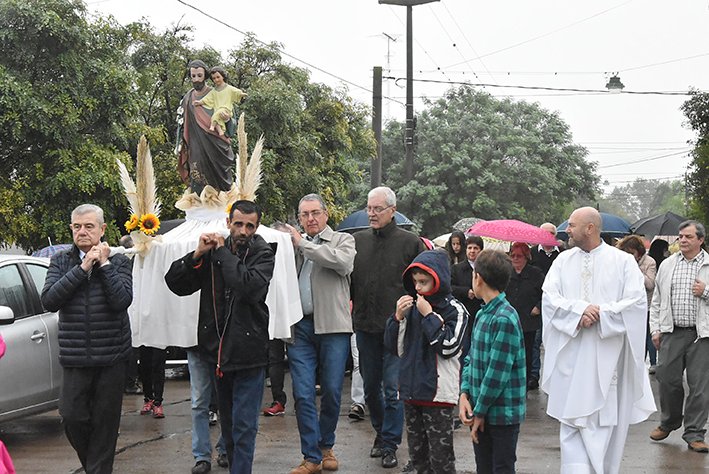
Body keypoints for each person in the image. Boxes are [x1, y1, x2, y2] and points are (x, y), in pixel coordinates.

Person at [542, 207, 655, 473]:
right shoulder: (562, 261)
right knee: (572, 423)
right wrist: (578, 311)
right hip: (572, 358)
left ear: (590, 228)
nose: (566, 230)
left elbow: (636, 302)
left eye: (571, 225)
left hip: (608, 360)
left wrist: (600, 314)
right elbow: (549, 299)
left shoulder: (623, 262)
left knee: (605, 423)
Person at [165, 200, 275, 474]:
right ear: (228, 223)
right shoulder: (214, 252)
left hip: (249, 354)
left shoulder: (264, 253)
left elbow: (248, 287)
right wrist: (197, 254)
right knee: (228, 427)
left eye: (250, 225)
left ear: (257, 227)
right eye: (238, 224)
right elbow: (175, 284)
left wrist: (222, 253)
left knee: (244, 426)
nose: (243, 231)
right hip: (217, 353)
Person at [41, 204, 133, 474]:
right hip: (75, 356)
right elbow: (49, 300)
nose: (82, 231)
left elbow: (121, 301)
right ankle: (94, 467)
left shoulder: (119, 261)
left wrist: (103, 264)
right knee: (71, 417)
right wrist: (83, 267)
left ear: (102, 230)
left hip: (111, 357)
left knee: (105, 426)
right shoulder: (60, 261)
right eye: (77, 226)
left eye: (89, 226)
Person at [350, 186, 425, 469]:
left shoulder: (410, 243)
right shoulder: (358, 241)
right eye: (369, 208)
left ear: (392, 211)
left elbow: (422, 283)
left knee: (391, 389)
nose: (371, 213)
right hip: (365, 326)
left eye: (377, 209)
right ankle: (380, 434)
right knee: (370, 389)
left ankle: (391, 443)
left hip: (398, 328)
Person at [283, 194, 356, 474]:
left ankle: (327, 444)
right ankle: (311, 456)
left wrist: (303, 245)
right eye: (304, 214)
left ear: (326, 215)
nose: (310, 219)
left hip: (333, 327)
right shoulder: (293, 245)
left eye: (315, 213)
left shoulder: (343, 240)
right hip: (301, 326)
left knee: (333, 392)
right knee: (302, 394)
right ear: (299, 219)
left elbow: (341, 263)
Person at [384, 250, 468, 474]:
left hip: (438, 395)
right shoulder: (411, 306)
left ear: (439, 279)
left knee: (441, 459)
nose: (419, 287)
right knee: (418, 458)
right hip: (412, 393)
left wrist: (429, 316)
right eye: (415, 282)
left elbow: (449, 346)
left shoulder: (456, 310)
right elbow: (394, 348)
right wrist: (397, 318)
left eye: (424, 281)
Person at [458, 249, 526, 474]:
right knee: (484, 467)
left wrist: (479, 411)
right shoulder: (482, 313)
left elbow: (497, 374)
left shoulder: (504, 318)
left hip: (501, 416)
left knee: (501, 468)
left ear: (478, 278)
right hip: (481, 408)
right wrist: (464, 394)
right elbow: (471, 358)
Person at [649, 220, 709, 453]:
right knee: (667, 379)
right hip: (672, 332)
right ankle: (670, 421)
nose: (683, 240)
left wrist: (705, 292)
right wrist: (656, 329)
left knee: (700, 387)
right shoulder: (668, 264)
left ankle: (694, 433)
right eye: (681, 236)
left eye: (689, 237)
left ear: (701, 240)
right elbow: (657, 300)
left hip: (702, 335)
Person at [176, 59, 236, 195]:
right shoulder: (188, 98)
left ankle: (221, 199)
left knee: (220, 181)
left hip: (217, 145)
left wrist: (228, 120)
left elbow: (232, 120)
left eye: (199, 76)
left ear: (206, 76)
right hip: (196, 146)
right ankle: (199, 201)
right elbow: (181, 123)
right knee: (197, 177)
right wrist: (179, 143)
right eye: (193, 76)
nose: (196, 79)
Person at [505, 242, 545, 391]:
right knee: (509, 353)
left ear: (526, 257)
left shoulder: (536, 273)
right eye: (513, 255)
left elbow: (546, 294)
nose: (516, 259)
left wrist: (538, 307)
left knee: (528, 354)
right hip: (510, 321)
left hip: (528, 321)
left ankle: (526, 382)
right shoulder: (507, 272)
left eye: (519, 256)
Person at [528, 223, 562, 390]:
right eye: (544, 233)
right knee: (535, 341)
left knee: (555, 340)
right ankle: (534, 375)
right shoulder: (532, 253)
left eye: (550, 233)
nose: (547, 236)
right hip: (535, 303)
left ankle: (556, 374)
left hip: (556, 304)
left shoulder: (562, 255)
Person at [617, 235, 657, 373]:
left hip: (647, 306)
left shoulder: (649, 262)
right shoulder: (619, 262)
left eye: (631, 253)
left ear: (639, 252)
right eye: (626, 253)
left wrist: (638, 272)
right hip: (627, 307)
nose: (629, 256)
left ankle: (653, 362)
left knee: (648, 336)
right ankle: (635, 364)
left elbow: (651, 284)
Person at [193, 66, 247, 137]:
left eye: (218, 77)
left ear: (223, 76)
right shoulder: (214, 91)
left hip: (225, 109)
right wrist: (199, 102)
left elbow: (236, 92)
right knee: (216, 117)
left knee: (216, 115)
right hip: (217, 112)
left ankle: (213, 126)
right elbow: (207, 99)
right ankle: (220, 131)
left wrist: (242, 94)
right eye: (214, 78)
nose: (216, 80)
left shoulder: (229, 89)